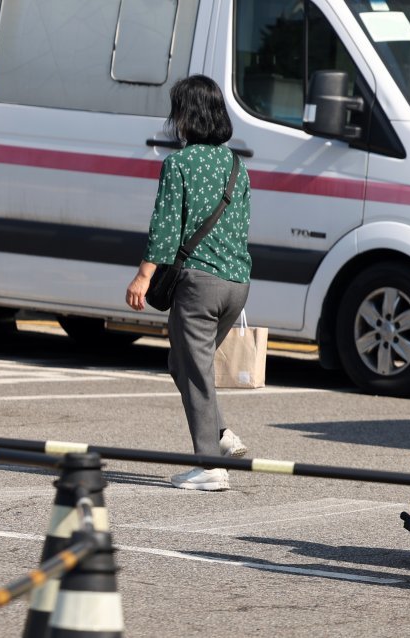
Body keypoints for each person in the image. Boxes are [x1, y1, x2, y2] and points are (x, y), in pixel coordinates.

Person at [125, 75, 251, 492]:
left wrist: (143, 277)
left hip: (199, 284)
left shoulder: (178, 164)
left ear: (186, 115)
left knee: (195, 373)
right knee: (184, 363)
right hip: (236, 284)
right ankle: (219, 435)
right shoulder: (237, 166)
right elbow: (240, 228)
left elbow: (164, 230)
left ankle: (210, 465)